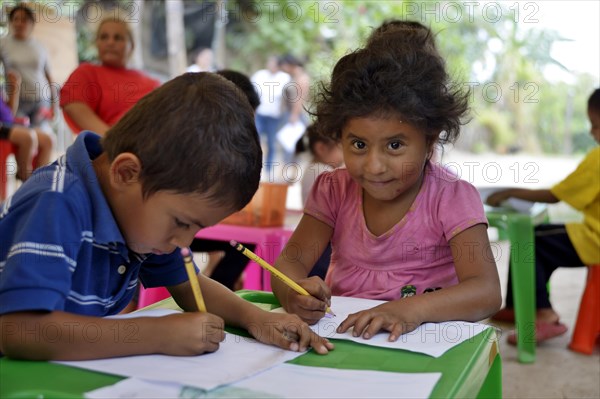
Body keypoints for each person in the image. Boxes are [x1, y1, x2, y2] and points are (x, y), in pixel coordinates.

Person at [0, 72, 333, 360]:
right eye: (182, 223)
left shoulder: (134, 210)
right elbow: (20, 329)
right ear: (127, 172)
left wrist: (256, 318)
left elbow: (189, 286)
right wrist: (155, 334)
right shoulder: (58, 201)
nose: (185, 241)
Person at [271, 32, 501, 340]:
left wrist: (407, 311)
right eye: (359, 144)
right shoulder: (333, 190)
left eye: (394, 145)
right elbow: (290, 262)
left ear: (429, 140)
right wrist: (292, 292)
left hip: (428, 345)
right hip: (347, 338)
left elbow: (485, 293)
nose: (374, 165)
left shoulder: (451, 197)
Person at [487, 88, 600, 344]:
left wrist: (511, 192)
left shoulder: (598, 158)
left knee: (531, 242)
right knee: (535, 237)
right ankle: (518, 307)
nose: (593, 133)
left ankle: (544, 314)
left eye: (596, 126)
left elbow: (555, 195)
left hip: (595, 240)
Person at [60, 17, 160, 135]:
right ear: (96, 43)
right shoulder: (87, 73)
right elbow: (74, 105)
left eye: (118, 38)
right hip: (111, 146)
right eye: (104, 37)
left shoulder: (153, 83)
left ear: (131, 45)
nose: (110, 42)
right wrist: (113, 140)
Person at [294, 123, 344, 279]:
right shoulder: (324, 173)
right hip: (323, 242)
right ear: (321, 148)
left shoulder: (313, 169)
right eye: (340, 148)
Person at [0, 4, 58, 129]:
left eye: (24, 19)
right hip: (17, 102)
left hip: (42, 100)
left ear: (32, 24)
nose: (19, 23)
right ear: (10, 22)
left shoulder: (40, 46)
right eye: (16, 19)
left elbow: (48, 76)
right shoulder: (3, 43)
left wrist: (54, 104)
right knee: (23, 139)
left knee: (41, 138)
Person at [0, 70, 53, 181]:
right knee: (29, 137)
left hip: (11, 123)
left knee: (48, 140)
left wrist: (15, 87)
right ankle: (25, 178)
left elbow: (10, 112)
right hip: (2, 127)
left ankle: (39, 183)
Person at [251, 56, 291, 173]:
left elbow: (289, 96)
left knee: (271, 143)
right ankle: (253, 165)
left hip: (275, 116)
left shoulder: (284, 78)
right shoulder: (260, 75)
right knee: (255, 140)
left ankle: (268, 169)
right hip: (260, 114)